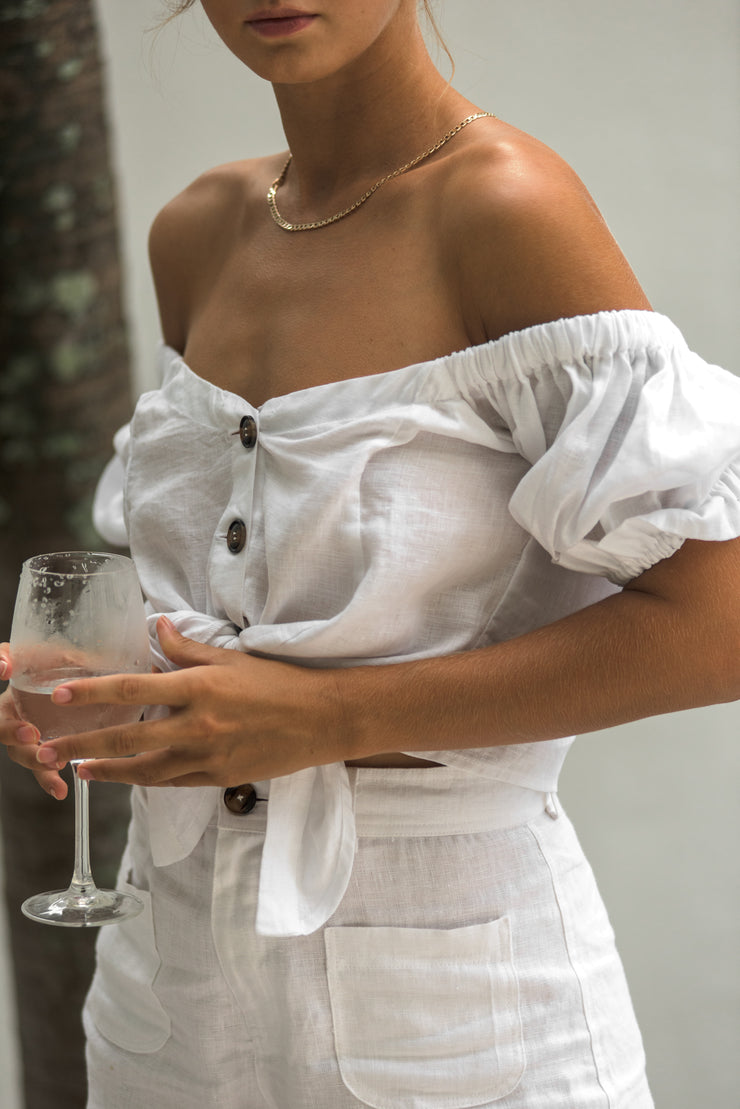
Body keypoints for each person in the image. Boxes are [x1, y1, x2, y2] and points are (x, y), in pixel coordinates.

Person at [2, 1, 740, 1106]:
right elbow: (242, 596)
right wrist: (118, 692)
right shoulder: (196, 231)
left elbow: (717, 624)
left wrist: (333, 718)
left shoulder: (503, 207)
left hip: (454, 1020)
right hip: (168, 1003)